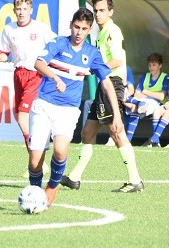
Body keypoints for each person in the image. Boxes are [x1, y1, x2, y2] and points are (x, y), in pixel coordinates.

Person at [28, 7, 124, 207]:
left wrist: (116, 114)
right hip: (44, 104)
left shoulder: (92, 53)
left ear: (90, 30)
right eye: (76, 27)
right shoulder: (58, 43)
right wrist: (54, 77)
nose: (79, 32)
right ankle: (34, 193)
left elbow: (107, 82)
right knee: (35, 160)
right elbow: (38, 63)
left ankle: (52, 187)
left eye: (84, 28)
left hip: (68, 110)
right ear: (71, 26)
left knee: (61, 151)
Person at [60, 0, 143, 194]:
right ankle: (74, 178)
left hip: (112, 83)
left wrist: (90, 68)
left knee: (116, 131)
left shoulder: (112, 31)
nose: (98, 14)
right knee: (87, 133)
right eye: (96, 10)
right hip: (104, 84)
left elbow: (116, 60)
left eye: (102, 10)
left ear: (111, 12)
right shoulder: (102, 30)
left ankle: (135, 179)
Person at [0, 0, 56, 176]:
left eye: (25, 9)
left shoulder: (40, 28)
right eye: (18, 9)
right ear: (14, 10)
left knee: (23, 117)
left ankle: (38, 161)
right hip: (18, 74)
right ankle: (38, 154)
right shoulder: (9, 29)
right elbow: (4, 53)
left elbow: (55, 44)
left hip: (35, 74)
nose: (21, 12)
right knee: (21, 117)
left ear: (31, 10)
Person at [124, 52, 169, 143]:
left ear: (160, 65)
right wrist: (151, 94)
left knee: (136, 106)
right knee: (129, 102)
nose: (151, 67)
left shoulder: (165, 77)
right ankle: (128, 140)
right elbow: (137, 94)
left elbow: (161, 96)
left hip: (156, 103)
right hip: (142, 100)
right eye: (149, 65)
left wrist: (146, 92)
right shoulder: (145, 76)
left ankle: (128, 138)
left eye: (154, 65)